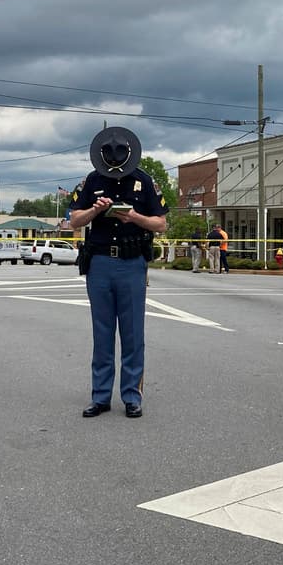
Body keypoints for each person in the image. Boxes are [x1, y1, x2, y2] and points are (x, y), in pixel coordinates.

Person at [69, 127, 168, 419]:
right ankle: (100, 397)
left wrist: (134, 217)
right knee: (102, 333)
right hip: (99, 263)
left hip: (131, 264)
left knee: (133, 332)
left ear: (129, 154)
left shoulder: (144, 181)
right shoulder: (91, 181)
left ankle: (131, 396)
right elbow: (74, 219)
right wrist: (95, 211)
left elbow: (161, 224)